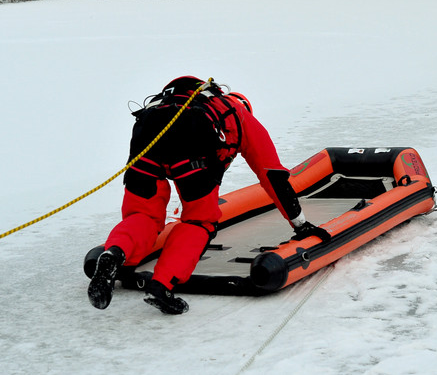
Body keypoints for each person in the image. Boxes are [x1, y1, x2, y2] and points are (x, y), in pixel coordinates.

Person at [88, 76, 330, 314]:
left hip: (147, 139)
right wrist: (300, 224)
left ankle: (115, 253)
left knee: (143, 214)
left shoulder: (167, 104)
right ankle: (161, 286)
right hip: (191, 153)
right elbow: (273, 176)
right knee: (199, 221)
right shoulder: (239, 115)